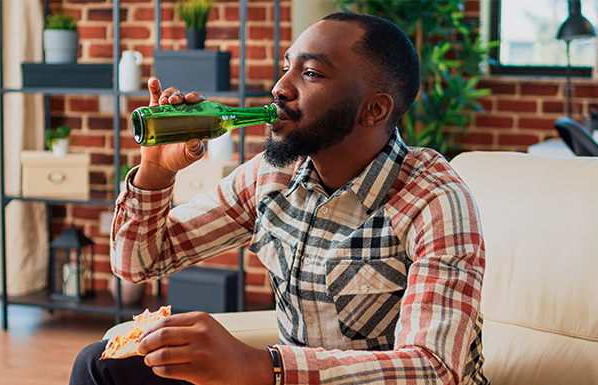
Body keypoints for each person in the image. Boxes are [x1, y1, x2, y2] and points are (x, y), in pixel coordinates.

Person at [70, 12, 488, 385]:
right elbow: (138, 263)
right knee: (98, 366)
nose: (280, 88)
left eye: (311, 74)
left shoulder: (433, 202)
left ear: (374, 110)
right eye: (287, 66)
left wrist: (261, 368)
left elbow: (433, 370)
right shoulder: (271, 175)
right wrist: (157, 172)